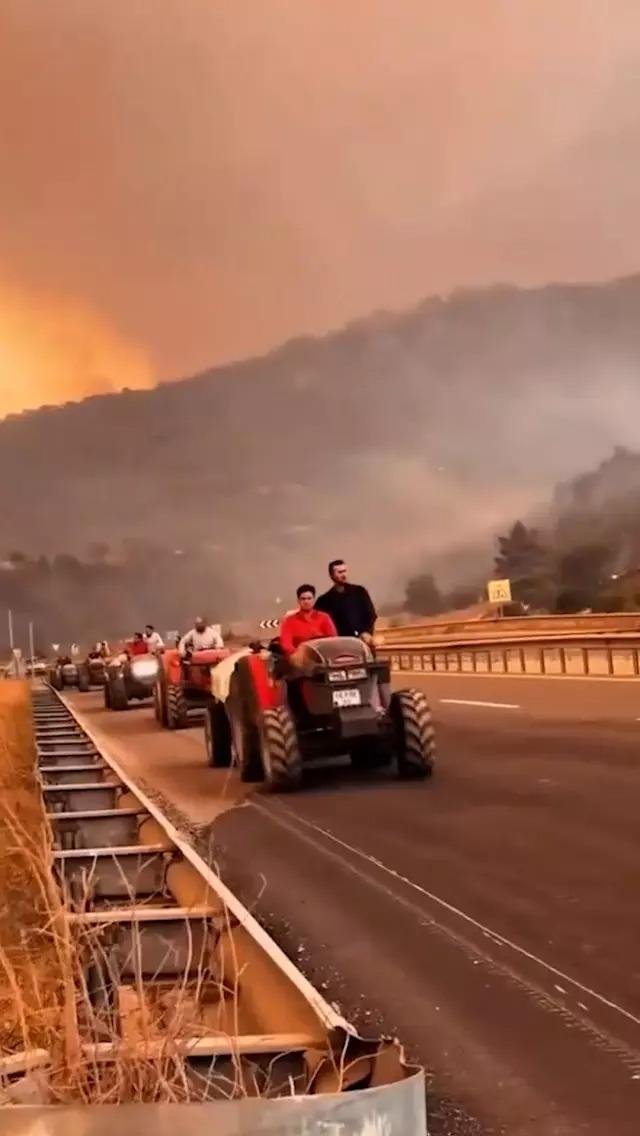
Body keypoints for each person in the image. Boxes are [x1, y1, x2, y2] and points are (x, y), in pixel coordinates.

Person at [315, 559, 377, 641]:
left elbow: (371, 615)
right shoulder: (324, 600)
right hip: (340, 644)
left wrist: (367, 632)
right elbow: (320, 624)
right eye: (340, 572)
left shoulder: (359, 591)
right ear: (331, 575)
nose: (344, 575)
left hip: (363, 640)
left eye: (345, 571)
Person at [279, 585, 336, 657]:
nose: (306, 601)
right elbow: (286, 645)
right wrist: (301, 654)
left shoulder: (324, 617)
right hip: (300, 658)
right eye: (303, 599)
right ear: (298, 601)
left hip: (323, 657)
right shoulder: (289, 621)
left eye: (309, 598)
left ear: (314, 600)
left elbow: (333, 639)